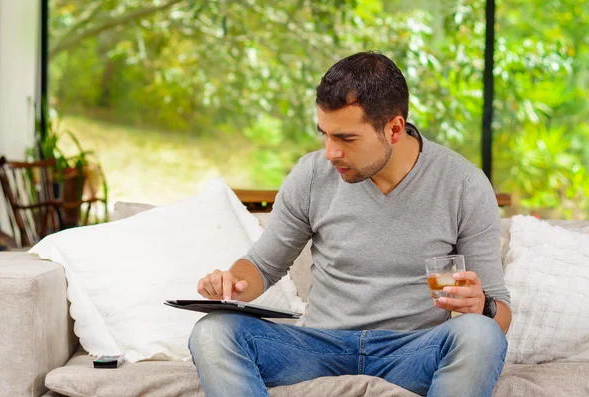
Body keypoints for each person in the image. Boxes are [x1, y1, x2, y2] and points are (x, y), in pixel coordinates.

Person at [189, 51, 511, 397]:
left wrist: (482, 306)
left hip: (413, 352)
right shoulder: (312, 175)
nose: (330, 152)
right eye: (325, 134)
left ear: (394, 129)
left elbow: (499, 313)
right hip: (318, 348)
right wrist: (231, 283)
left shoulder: (462, 185)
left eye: (346, 138)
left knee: (482, 334)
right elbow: (262, 267)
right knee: (212, 331)